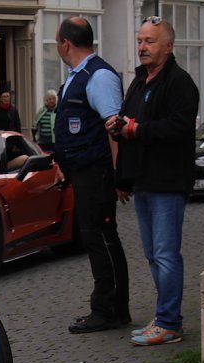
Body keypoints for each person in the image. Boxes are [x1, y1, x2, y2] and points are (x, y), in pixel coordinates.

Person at [107, 16, 199, 346]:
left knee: (165, 253)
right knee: (152, 254)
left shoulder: (180, 82)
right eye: (140, 40)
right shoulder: (139, 81)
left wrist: (137, 130)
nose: (142, 47)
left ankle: (170, 322)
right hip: (143, 180)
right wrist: (119, 127)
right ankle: (164, 318)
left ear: (168, 46)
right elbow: (129, 124)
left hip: (168, 181)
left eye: (150, 41)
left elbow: (179, 127)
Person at [54, 16, 130, 334]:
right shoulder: (78, 76)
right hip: (83, 171)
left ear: (66, 43)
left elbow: (115, 128)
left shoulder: (98, 76)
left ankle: (109, 309)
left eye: (57, 42)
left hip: (97, 171)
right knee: (95, 237)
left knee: (101, 237)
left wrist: (119, 175)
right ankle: (110, 307)